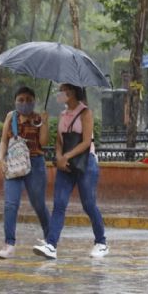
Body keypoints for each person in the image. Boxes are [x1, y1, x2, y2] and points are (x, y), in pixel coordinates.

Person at [33, 83, 109, 259]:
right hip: (65, 165)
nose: (59, 93)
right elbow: (59, 140)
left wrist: (66, 156)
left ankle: (101, 242)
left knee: (89, 204)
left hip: (85, 163)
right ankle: (51, 245)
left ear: (72, 92)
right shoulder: (62, 114)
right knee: (59, 204)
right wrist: (60, 157)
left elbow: (86, 142)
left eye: (62, 90)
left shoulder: (85, 113)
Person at [0, 86, 50, 259]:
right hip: (14, 164)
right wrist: (1, 159)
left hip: (35, 164)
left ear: (34, 101)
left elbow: (43, 142)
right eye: (21, 100)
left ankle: (50, 240)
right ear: (15, 101)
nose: (25, 103)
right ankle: (9, 244)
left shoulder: (38, 118)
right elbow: (4, 140)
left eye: (28, 100)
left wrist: (46, 123)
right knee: (10, 204)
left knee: (38, 204)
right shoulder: (11, 117)